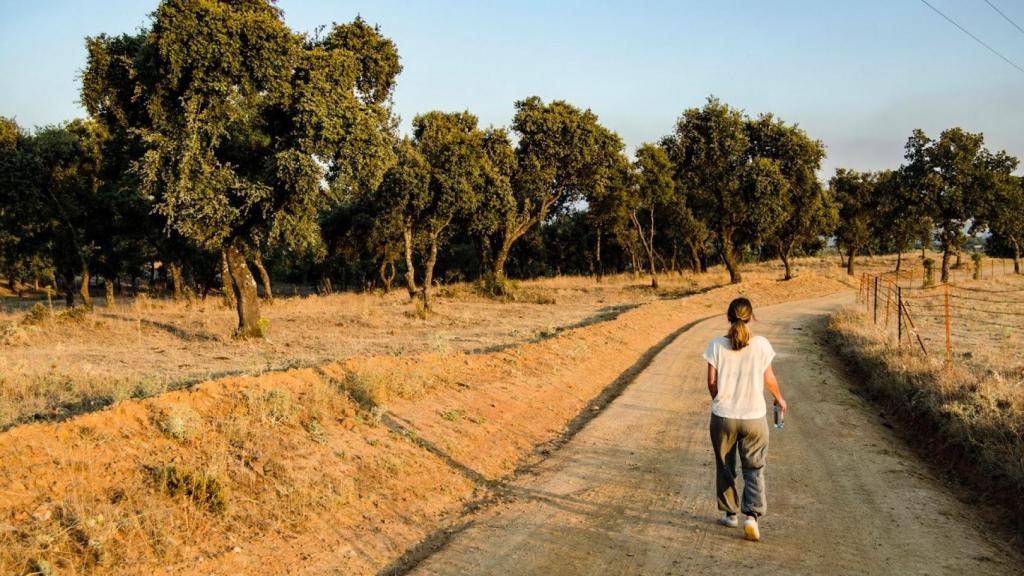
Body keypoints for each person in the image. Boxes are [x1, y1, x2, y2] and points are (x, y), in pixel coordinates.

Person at [702, 297, 786, 542]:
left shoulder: (716, 345)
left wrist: (720, 401)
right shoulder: (761, 344)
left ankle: (730, 514)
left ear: (728, 318)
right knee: (754, 467)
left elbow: (711, 382)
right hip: (754, 418)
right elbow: (768, 378)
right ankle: (752, 517)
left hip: (723, 417)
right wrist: (779, 399)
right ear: (752, 318)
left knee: (725, 466)